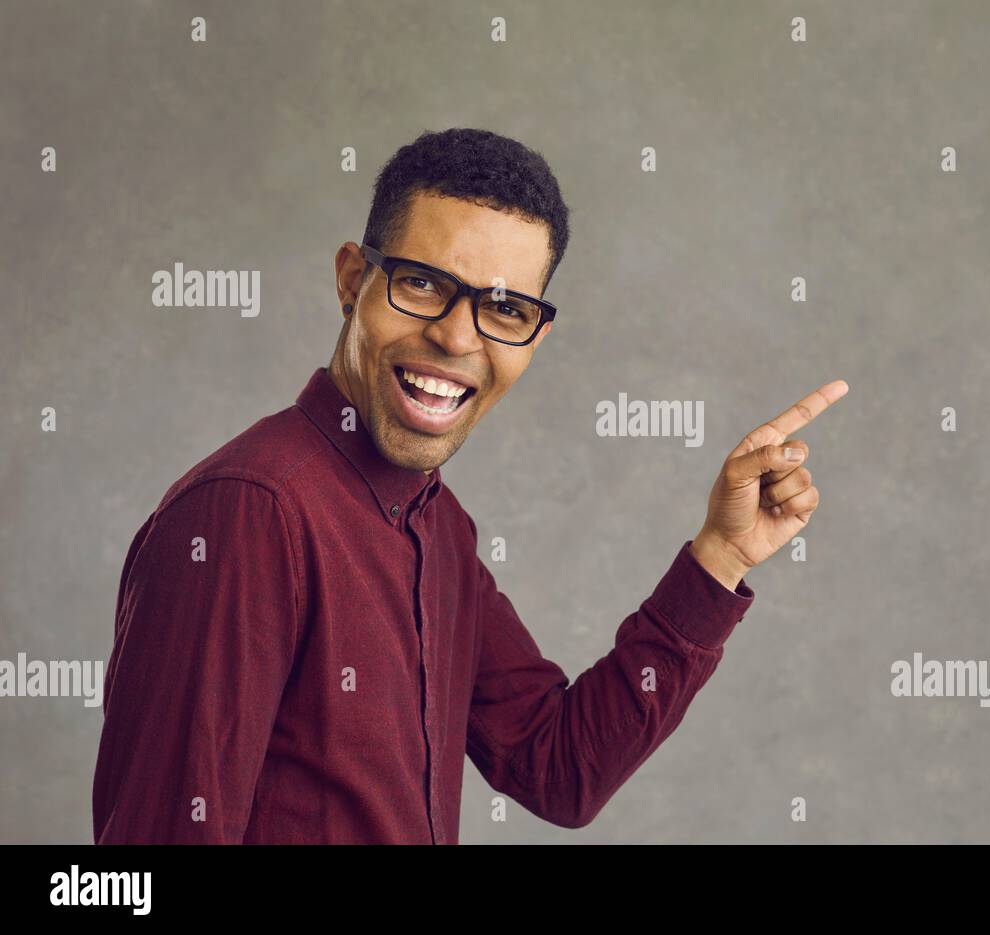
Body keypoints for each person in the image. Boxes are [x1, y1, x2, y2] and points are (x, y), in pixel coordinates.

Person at [92, 127, 848, 843]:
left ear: (535, 336)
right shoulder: (249, 512)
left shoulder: (437, 526)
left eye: (504, 308)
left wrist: (720, 555)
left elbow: (559, 767)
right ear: (354, 280)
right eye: (423, 284)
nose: (458, 338)